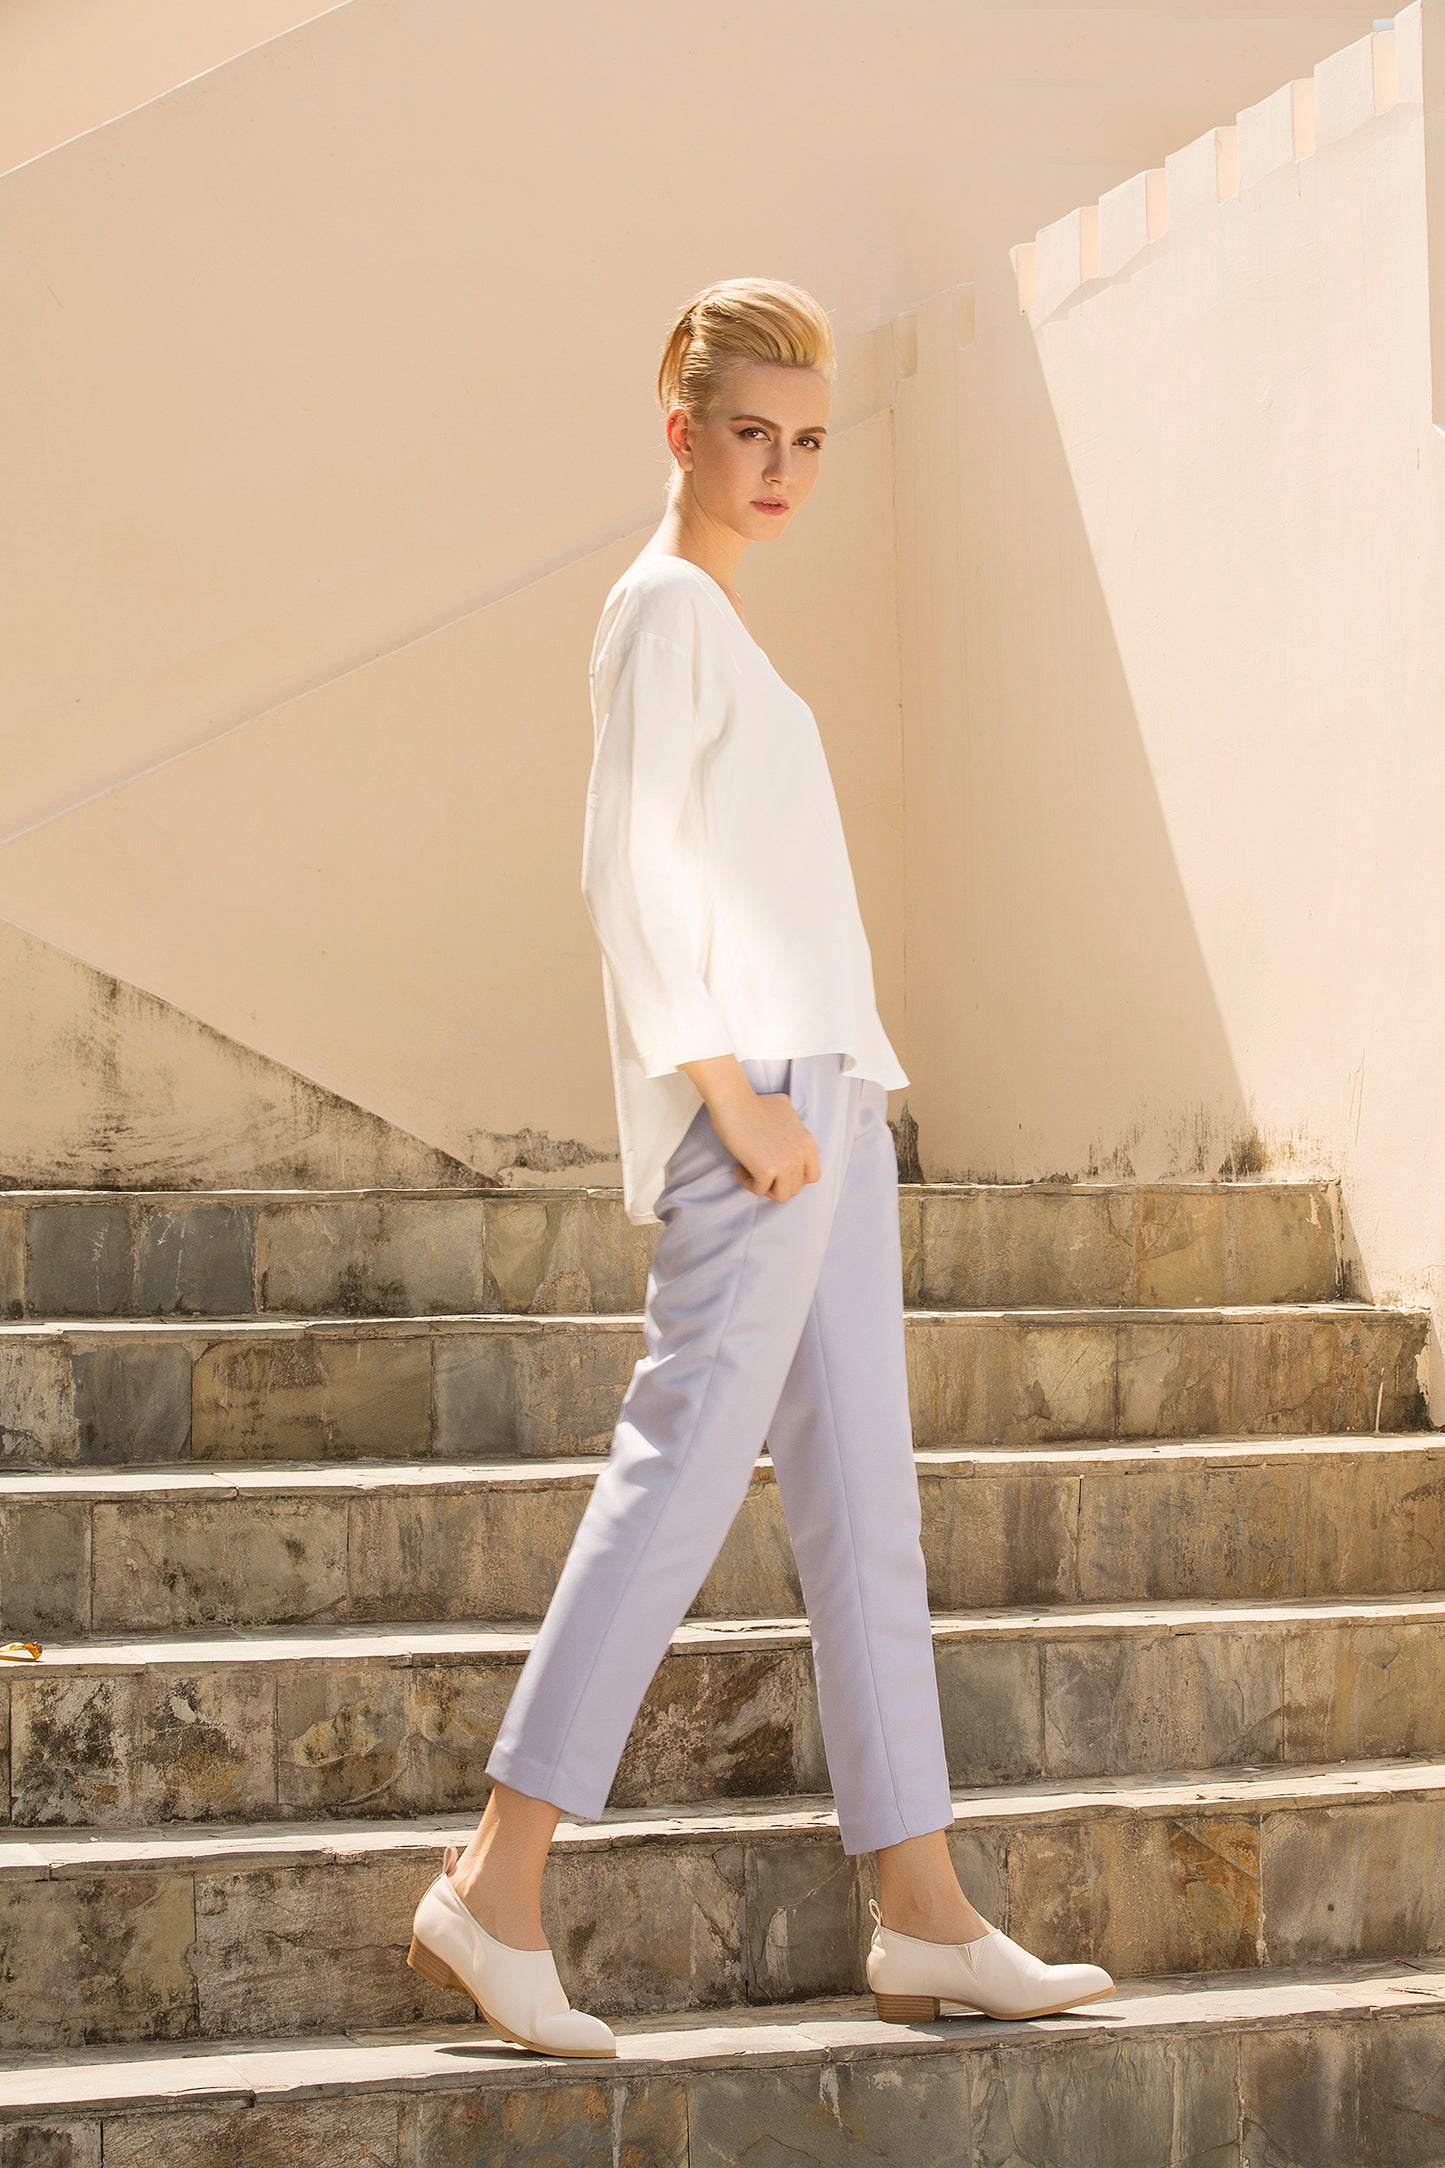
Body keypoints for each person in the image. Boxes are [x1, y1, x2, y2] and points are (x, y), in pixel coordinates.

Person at [405, 277, 1114, 2057]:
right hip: (765, 1108)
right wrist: (733, 1096)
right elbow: (628, 880)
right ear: (680, 429)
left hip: (829, 1098)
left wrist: (823, 1096)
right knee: (677, 1467)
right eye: (752, 434)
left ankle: (924, 1915)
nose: (782, 468)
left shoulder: (722, 622)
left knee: (866, 1501)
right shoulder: (659, 616)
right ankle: (494, 1884)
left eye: (808, 442)